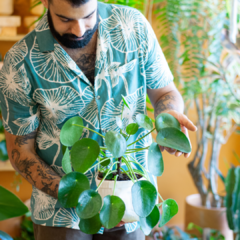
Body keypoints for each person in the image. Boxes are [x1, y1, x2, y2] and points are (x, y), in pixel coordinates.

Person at [0, 0, 197, 239]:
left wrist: (167, 118)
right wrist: (77, 197)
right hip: (60, 215)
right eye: (65, 19)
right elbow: (21, 152)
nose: (79, 30)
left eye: (88, 16)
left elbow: (165, 93)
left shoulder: (133, 26)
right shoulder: (20, 62)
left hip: (130, 202)